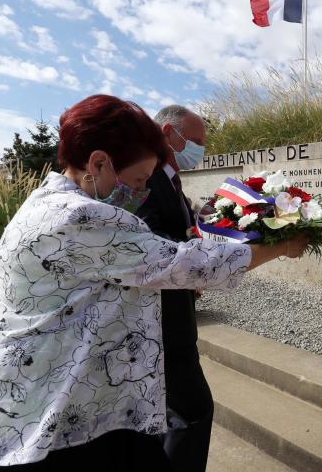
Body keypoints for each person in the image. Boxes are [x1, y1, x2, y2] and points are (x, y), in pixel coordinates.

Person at [0, 94, 307, 472]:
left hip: (60, 403)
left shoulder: (46, 201)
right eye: (138, 180)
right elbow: (187, 264)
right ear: (98, 163)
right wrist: (281, 245)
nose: (139, 192)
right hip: (44, 422)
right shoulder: (79, 216)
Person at [134, 105, 214, 472]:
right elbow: (152, 242)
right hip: (162, 323)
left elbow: (175, 228)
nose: (200, 149)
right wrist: (198, 260)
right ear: (169, 133)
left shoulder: (169, 177)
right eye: (195, 140)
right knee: (191, 413)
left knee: (177, 415)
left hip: (174, 313)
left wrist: (200, 219)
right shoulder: (146, 179)